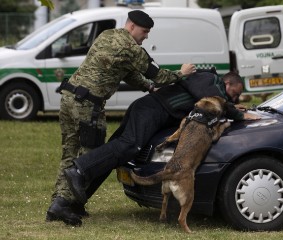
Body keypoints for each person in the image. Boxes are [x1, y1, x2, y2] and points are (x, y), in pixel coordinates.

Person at [46, 9, 196, 226]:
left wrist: (147, 87)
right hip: (88, 106)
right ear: (132, 26)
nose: (146, 36)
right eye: (145, 31)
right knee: (91, 159)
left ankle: (60, 206)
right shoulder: (131, 49)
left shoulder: (107, 35)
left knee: (69, 154)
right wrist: (182, 73)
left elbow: (127, 72)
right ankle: (62, 204)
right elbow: (161, 75)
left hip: (69, 98)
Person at [62, 70, 260, 225]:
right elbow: (209, 96)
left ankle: (72, 203)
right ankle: (78, 169)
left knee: (116, 154)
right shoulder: (209, 78)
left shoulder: (216, 93)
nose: (234, 99)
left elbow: (213, 108)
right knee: (129, 146)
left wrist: (231, 110)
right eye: (235, 94)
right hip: (152, 110)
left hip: (149, 110)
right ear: (227, 83)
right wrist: (240, 115)